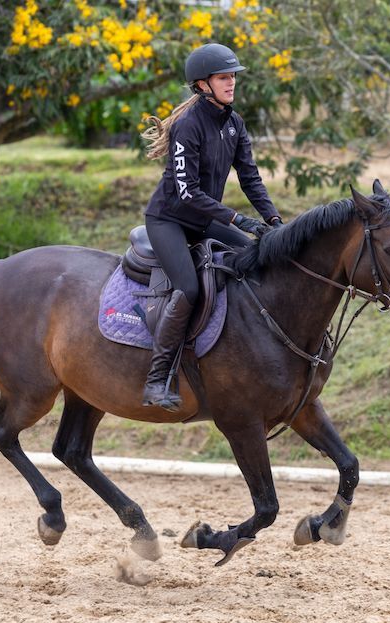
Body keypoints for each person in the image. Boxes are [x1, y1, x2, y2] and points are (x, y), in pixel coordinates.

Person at [139, 42, 283, 411]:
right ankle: (158, 378)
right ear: (202, 84)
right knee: (187, 288)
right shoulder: (188, 126)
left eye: (233, 76)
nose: (232, 82)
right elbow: (188, 194)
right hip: (169, 220)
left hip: (204, 221)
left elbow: (250, 178)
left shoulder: (234, 123)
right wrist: (238, 219)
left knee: (253, 256)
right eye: (224, 77)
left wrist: (273, 221)